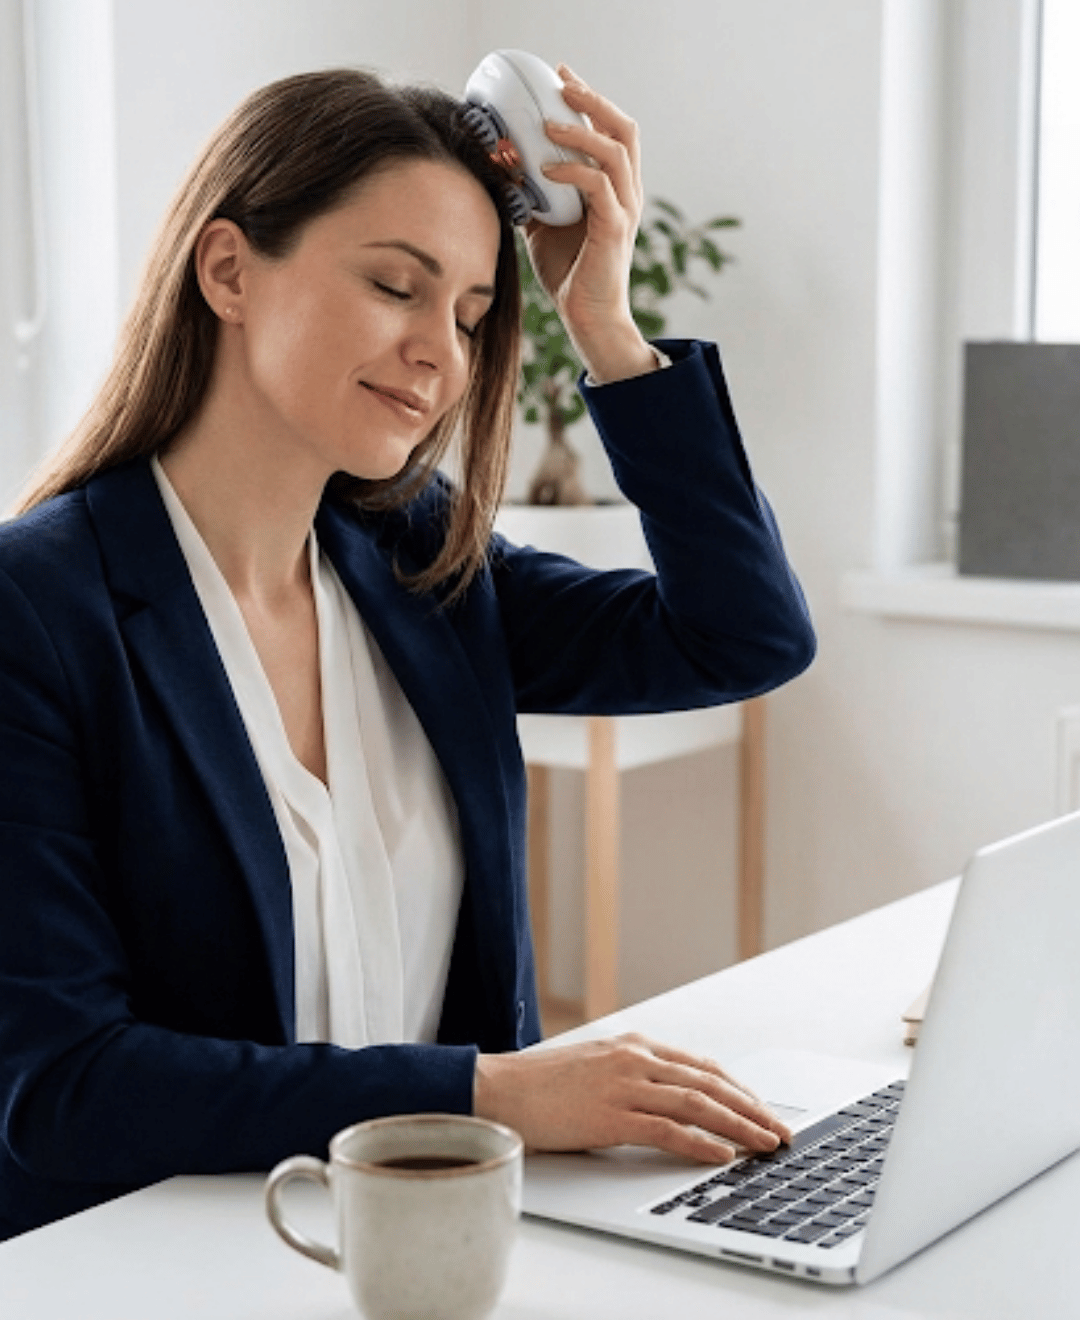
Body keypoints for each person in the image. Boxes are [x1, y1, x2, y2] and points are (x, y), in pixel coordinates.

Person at [0, 65, 815, 1240]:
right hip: (153, 1261)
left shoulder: (416, 560)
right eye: (396, 285)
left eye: (476, 317)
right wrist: (490, 1097)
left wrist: (606, 327)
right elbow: (64, 1085)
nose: (440, 354)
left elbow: (742, 636)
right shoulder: (37, 611)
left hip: (430, 1252)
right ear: (228, 270)